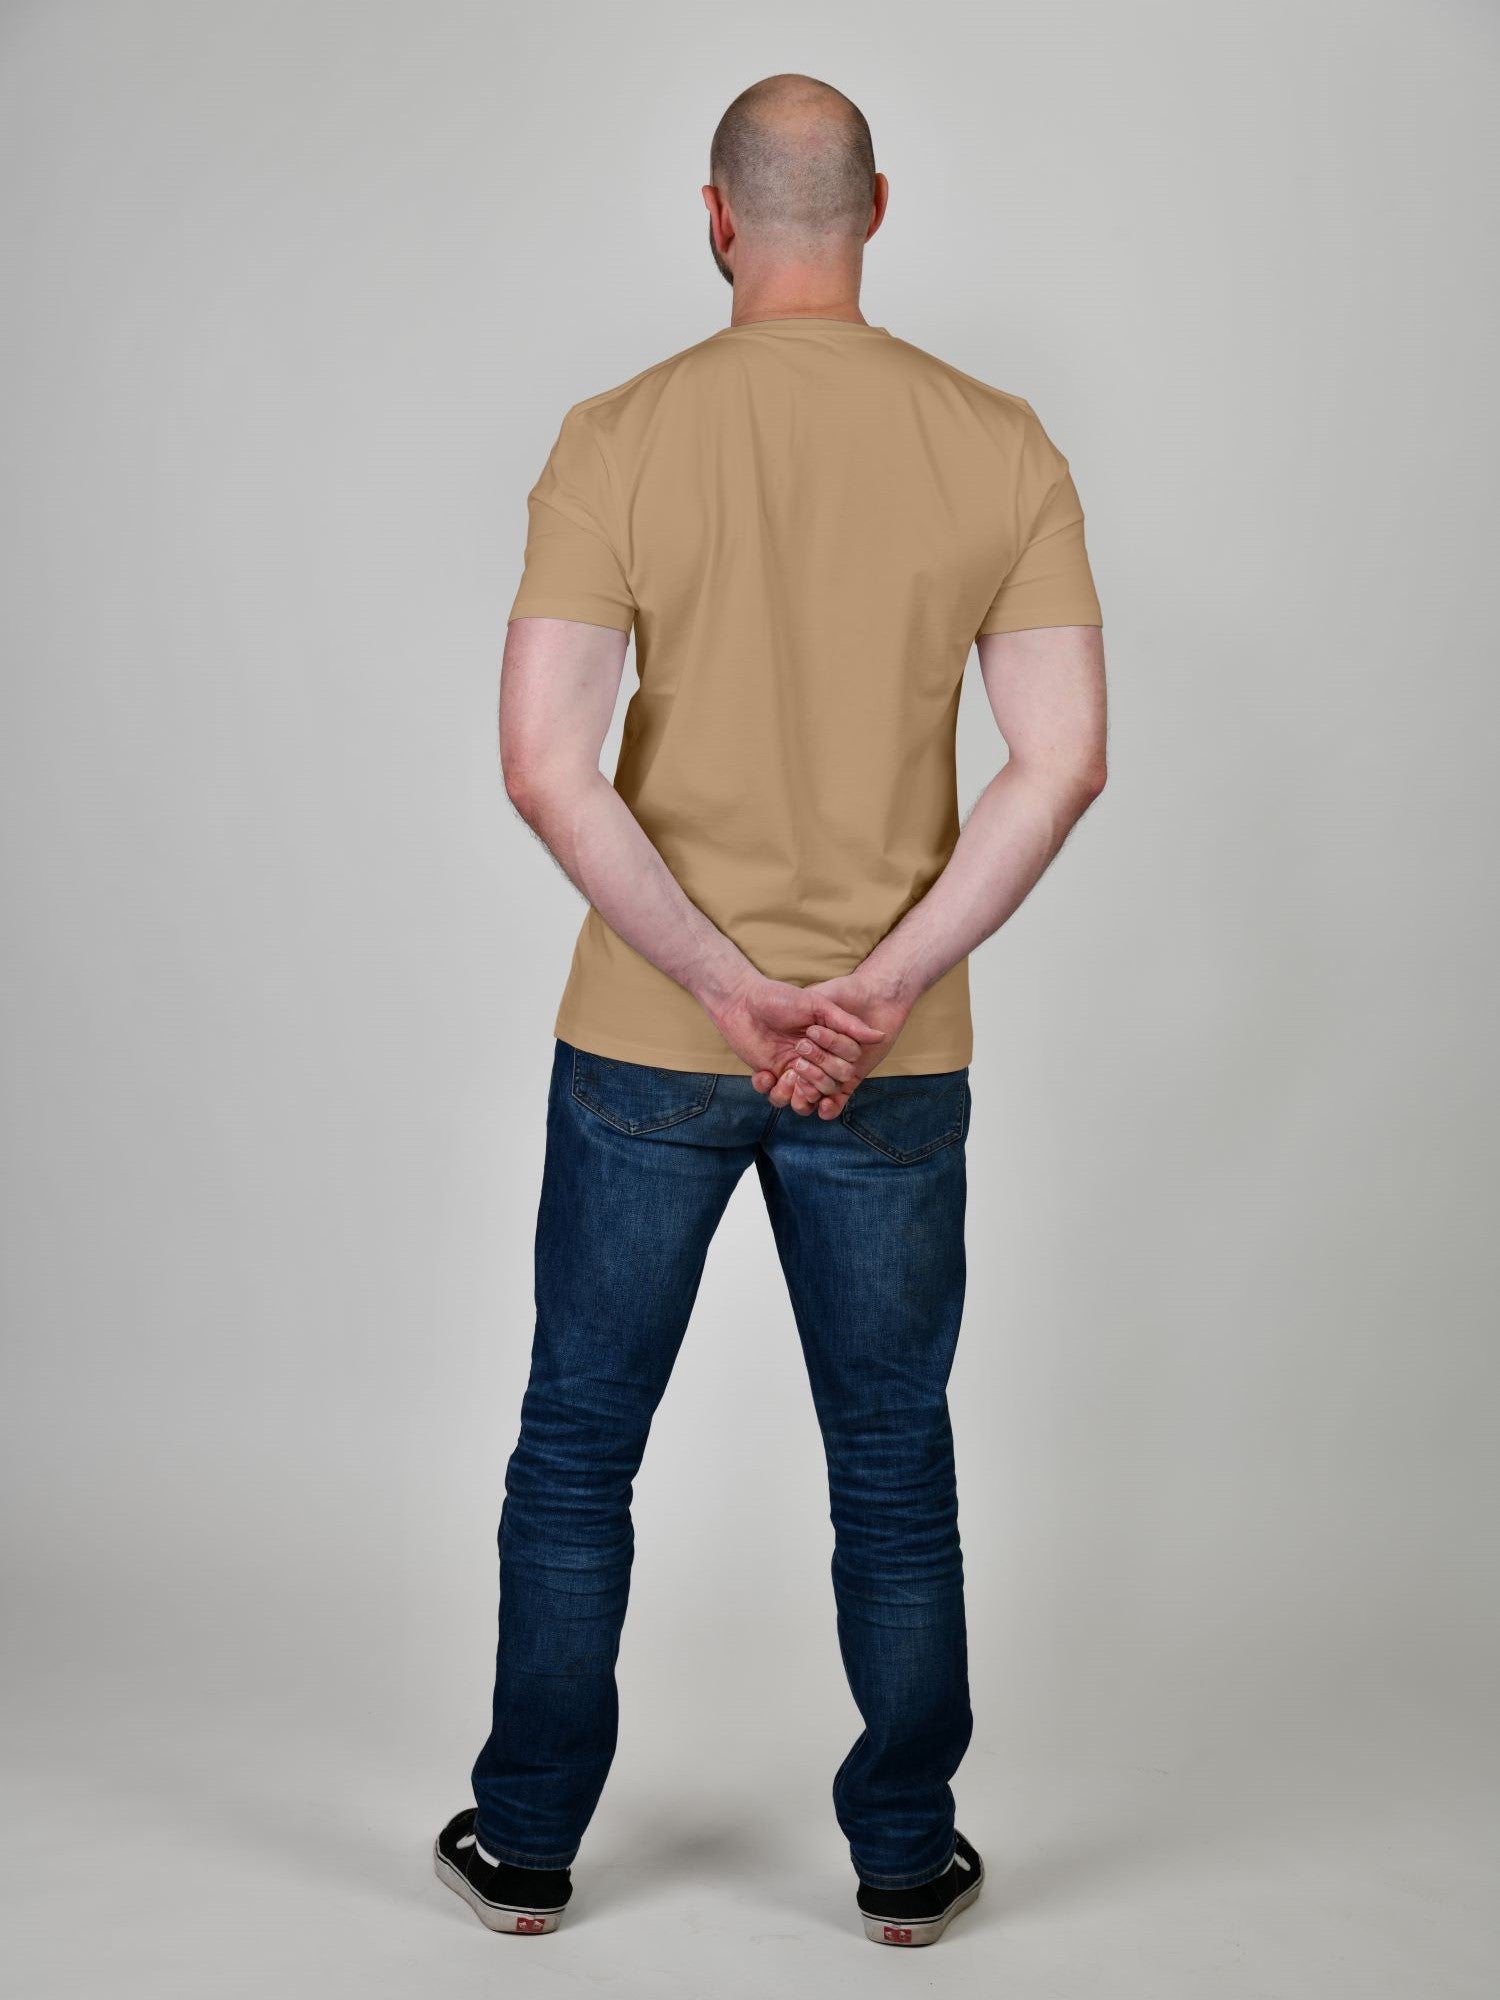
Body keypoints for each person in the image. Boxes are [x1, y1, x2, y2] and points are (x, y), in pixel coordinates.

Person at [433, 71, 1108, 1948]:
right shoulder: (1000, 444)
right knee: (892, 1456)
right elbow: (1062, 764)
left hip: (655, 1037)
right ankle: (904, 1858)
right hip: (891, 1062)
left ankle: (529, 1841)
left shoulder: (618, 436)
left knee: (581, 1441)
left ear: (716, 218)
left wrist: (726, 986)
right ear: (873, 210)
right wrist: (877, 984)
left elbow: (540, 765)